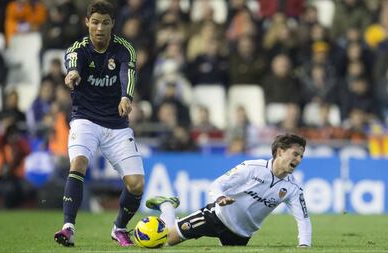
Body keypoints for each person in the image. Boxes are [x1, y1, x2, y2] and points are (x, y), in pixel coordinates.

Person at [54, 0, 144, 247]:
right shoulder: (78, 49)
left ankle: (119, 227)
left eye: (105, 23)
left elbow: (128, 73)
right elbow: (73, 65)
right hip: (85, 119)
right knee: (79, 163)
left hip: (117, 124)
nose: (100, 28)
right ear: (87, 23)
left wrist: (126, 97)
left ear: (113, 24)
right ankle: (68, 228)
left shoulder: (125, 49)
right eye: (95, 22)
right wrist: (73, 74)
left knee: (136, 185)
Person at [146, 133, 312, 247]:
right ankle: (167, 206)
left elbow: (303, 219)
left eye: (301, 156)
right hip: (215, 217)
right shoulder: (252, 168)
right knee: (166, 240)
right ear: (280, 152)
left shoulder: (293, 188)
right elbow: (217, 185)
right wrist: (219, 198)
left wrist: (304, 245)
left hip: (241, 236)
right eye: (295, 154)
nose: (298, 160)